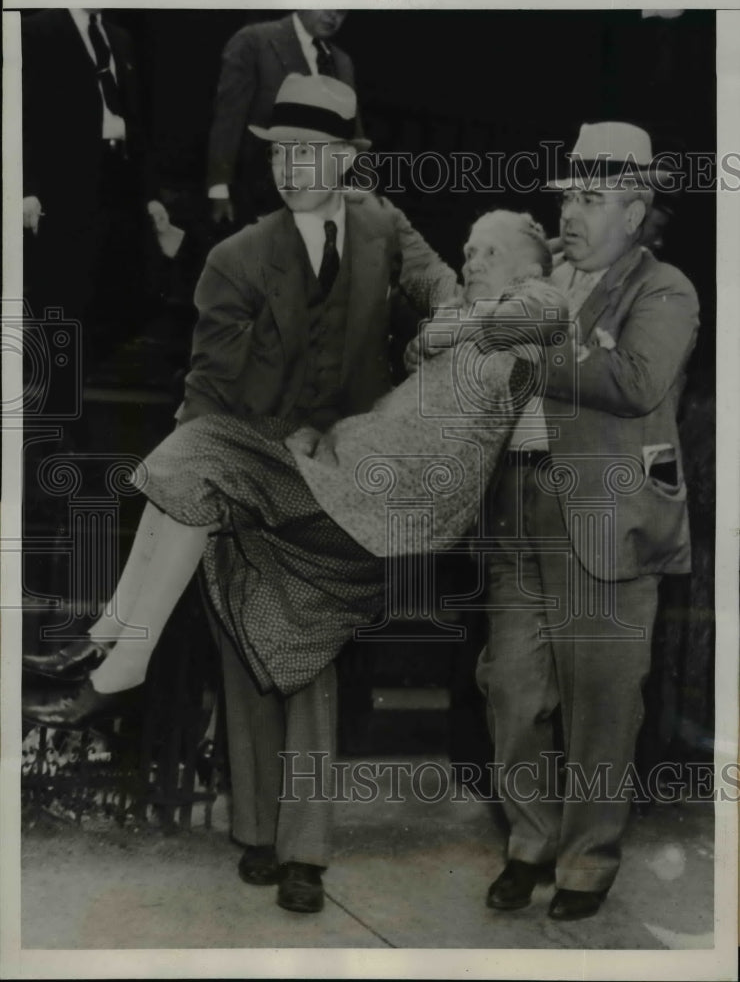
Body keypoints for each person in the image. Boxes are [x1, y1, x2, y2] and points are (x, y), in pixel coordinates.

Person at [22, 204, 565, 908]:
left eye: (489, 251)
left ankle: (127, 659)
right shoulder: (395, 285)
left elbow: (532, 309)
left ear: (530, 264)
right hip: (328, 476)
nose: (472, 259)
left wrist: (447, 325)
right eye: (470, 248)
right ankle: (132, 662)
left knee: (205, 468)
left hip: (379, 505)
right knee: (220, 540)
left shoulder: (528, 312)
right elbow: (411, 270)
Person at [23, 70, 458, 916]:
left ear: (347, 160)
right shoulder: (238, 257)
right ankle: (257, 832)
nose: (292, 169)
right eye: (280, 153)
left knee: (309, 664)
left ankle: (303, 852)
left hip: (342, 487)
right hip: (254, 469)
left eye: (310, 153)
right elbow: (210, 389)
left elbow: (442, 288)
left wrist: (458, 323)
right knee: (248, 657)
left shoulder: (383, 226)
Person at [468, 122, 699, 922]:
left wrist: (528, 342)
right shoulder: (546, 280)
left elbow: (634, 381)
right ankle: (529, 842)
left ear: (634, 214)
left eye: (593, 199)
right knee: (510, 691)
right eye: (569, 195)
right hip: (517, 509)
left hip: (607, 517)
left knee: (602, 704)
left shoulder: (665, 289)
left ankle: (586, 861)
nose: (571, 212)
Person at [22, 8, 168, 370]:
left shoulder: (119, 38)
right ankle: (58, 383)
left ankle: (85, 374)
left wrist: (150, 194)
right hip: (62, 179)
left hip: (119, 177)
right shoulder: (36, 30)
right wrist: (26, 188)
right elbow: (20, 114)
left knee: (114, 284)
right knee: (61, 287)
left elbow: (138, 120)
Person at [207, 10, 358, 228]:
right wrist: (219, 188)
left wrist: (363, 191)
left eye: (342, 10)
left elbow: (353, 133)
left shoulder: (342, 61)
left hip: (323, 199)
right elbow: (228, 118)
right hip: (261, 193)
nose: (333, 15)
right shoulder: (254, 41)